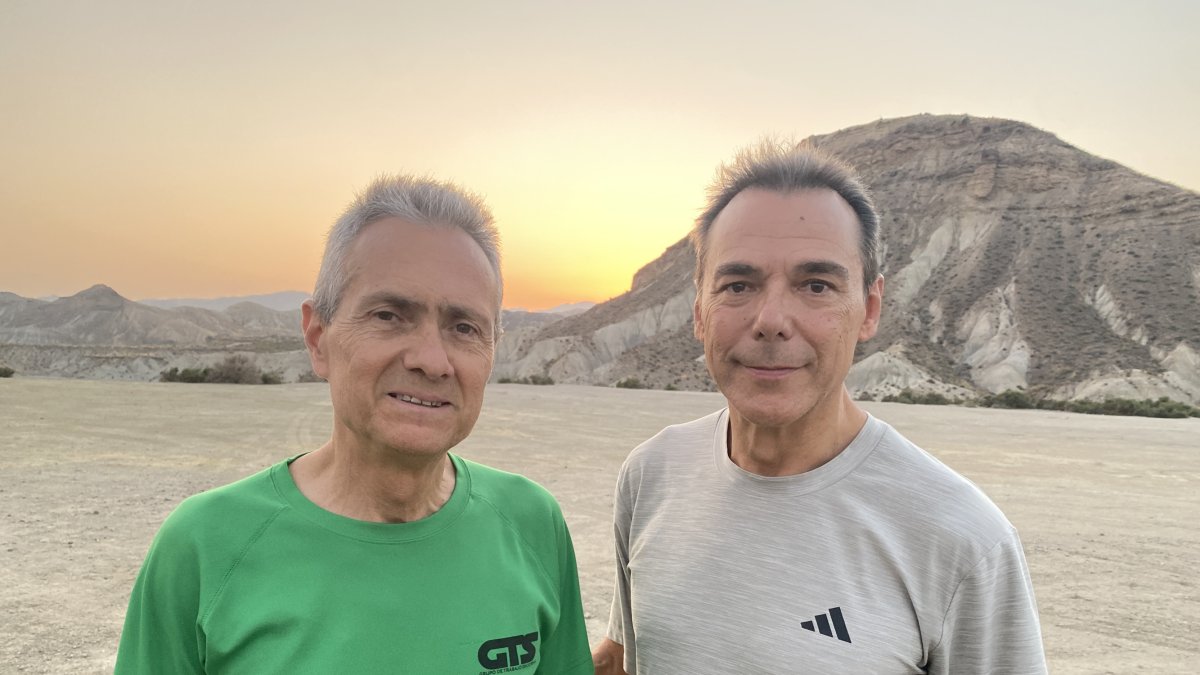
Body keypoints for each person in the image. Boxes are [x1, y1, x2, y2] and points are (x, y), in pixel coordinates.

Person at [592, 141, 1046, 674]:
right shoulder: (652, 473)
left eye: (816, 285)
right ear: (699, 311)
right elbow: (623, 660)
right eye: (738, 284)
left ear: (869, 309)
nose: (771, 319)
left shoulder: (961, 537)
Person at [116, 175, 593, 674]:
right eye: (389, 316)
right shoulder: (204, 545)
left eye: (464, 328)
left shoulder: (533, 523)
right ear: (318, 337)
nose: (433, 360)